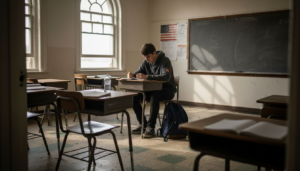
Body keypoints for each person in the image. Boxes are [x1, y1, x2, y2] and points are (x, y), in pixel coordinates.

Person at [127, 43, 177, 138]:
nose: (146, 59)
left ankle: (151, 127)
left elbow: (166, 77)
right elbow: (138, 72)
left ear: (154, 53)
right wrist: (132, 75)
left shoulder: (165, 61)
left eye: (148, 57)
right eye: (145, 57)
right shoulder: (146, 61)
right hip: (153, 90)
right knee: (133, 96)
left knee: (155, 95)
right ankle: (143, 124)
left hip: (167, 90)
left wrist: (147, 76)